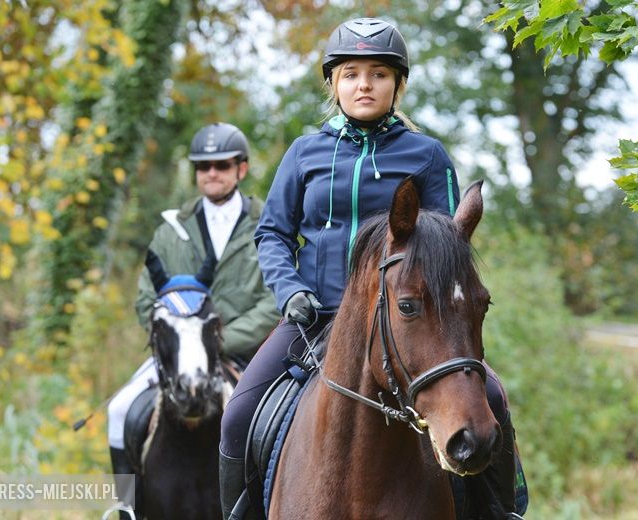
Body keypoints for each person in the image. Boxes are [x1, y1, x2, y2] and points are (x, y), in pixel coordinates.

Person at [219, 18, 526, 520]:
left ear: (397, 85)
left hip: (411, 321)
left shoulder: (426, 155)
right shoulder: (304, 154)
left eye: (379, 73)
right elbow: (272, 233)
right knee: (237, 416)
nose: (365, 84)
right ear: (333, 84)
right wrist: (289, 291)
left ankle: (501, 510)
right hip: (314, 317)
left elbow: (448, 248)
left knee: (489, 397)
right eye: (351, 74)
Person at [107, 122, 280, 517]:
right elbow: (146, 299)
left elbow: (274, 300)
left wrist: (218, 341)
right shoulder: (171, 230)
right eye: (204, 167)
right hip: (177, 355)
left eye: (222, 165)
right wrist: (181, 336)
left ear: (242, 168)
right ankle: (126, 509)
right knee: (119, 410)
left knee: (268, 421)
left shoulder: (267, 225)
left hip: (244, 354)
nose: (212, 173)